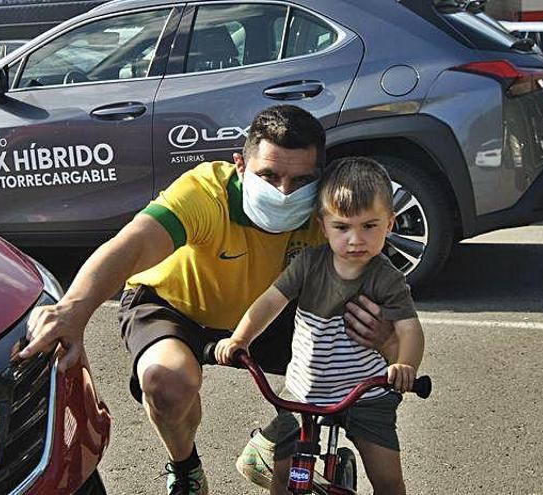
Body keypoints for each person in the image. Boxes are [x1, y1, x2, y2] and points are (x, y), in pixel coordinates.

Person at [21, 105, 396, 495]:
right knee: (165, 382)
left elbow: (378, 293)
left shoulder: (329, 213)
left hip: (264, 312)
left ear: (320, 178)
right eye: (269, 175)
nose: (284, 192)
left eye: (302, 180)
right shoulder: (204, 194)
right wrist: (74, 309)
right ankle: (186, 468)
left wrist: (386, 337)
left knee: (359, 346)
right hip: (175, 305)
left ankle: (275, 443)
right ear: (239, 165)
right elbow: (131, 246)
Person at [216, 157, 425, 495]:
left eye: (369, 226)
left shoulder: (386, 277)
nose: (356, 239)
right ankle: (265, 450)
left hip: (365, 394)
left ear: (390, 224)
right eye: (342, 227)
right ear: (323, 224)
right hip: (303, 392)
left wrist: (405, 365)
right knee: (280, 476)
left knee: (387, 478)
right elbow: (270, 301)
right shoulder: (310, 263)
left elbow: (409, 328)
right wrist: (239, 339)